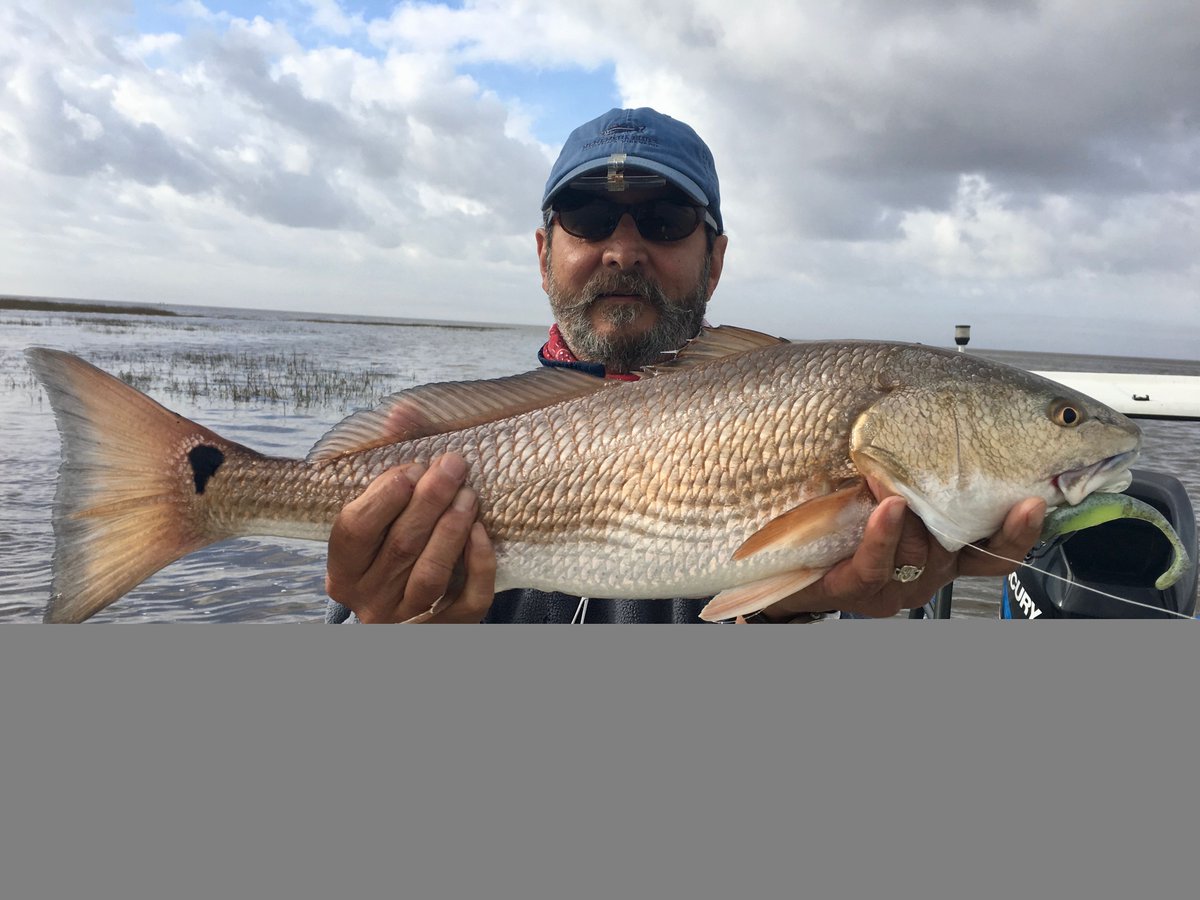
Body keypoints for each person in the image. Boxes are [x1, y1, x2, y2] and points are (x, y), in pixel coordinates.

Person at [324, 108, 1045, 623]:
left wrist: (804, 617)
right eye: (587, 216)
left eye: (665, 221)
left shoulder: (793, 402)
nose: (624, 250)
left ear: (716, 259)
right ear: (543, 253)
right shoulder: (437, 451)